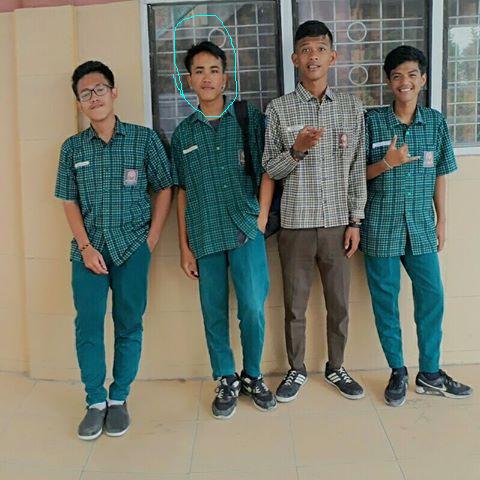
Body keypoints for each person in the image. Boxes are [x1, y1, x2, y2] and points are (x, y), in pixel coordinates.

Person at [55, 61, 173, 439]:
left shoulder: (143, 139)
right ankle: (95, 401)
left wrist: (151, 239)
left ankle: (119, 397)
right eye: (85, 94)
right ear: (79, 103)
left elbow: (165, 187)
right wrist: (85, 246)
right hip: (88, 252)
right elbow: (69, 200)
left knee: (129, 323)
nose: (94, 98)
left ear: (114, 92)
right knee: (88, 325)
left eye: (99, 89)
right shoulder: (72, 148)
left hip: (133, 248)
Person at [361, 45, 473, 406]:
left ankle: (430, 373)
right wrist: (386, 163)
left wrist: (442, 221)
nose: (404, 82)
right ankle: (397, 371)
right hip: (380, 226)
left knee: (432, 296)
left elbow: (441, 174)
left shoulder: (435, 122)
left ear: (423, 79)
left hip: (422, 226)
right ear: (388, 82)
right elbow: (354, 176)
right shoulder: (372, 122)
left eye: (411, 75)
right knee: (386, 302)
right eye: (397, 76)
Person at [171, 41, 276, 419]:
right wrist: (184, 247)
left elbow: (267, 171)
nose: (207, 78)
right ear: (189, 80)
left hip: (245, 228)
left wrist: (261, 219)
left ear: (225, 77)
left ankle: (253, 374)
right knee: (213, 310)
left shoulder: (248, 118)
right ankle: (226, 377)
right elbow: (182, 192)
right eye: (199, 71)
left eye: (213, 70)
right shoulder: (183, 134)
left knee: (252, 307)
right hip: (204, 234)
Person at [263, 21, 367, 403]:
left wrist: (355, 220)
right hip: (296, 224)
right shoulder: (279, 109)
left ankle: (336, 366)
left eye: (320, 49)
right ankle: (296, 368)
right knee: (295, 305)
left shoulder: (352, 108)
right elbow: (270, 168)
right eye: (305, 50)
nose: (313, 57)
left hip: (338, 223)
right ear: (295, 59)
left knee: (339, 304)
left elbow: (357, 168)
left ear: (332, 56)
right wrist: (297, 150)